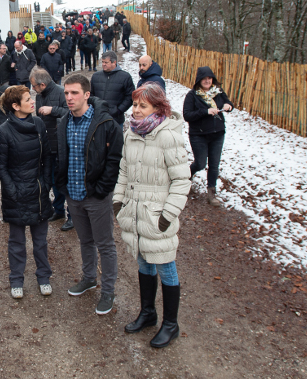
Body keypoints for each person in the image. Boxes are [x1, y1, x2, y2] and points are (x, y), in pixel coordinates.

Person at [113, 82, 190, 348]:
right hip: (134, 211)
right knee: (143, 261)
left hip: (157, 213)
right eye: (134, 104)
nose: (135, 110)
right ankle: (148, 313)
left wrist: (167, 215)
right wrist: (118, 200)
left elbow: (181, 180)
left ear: (158, 108)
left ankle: (171, 323)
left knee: (166, 266)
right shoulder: (131, 133)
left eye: (141, 106)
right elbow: (124, 169)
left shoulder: (168, 136)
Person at [56, 73, 124, 315]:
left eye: (74, 93)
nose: (69, 97)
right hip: (73, 195)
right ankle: (89, 278)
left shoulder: (104, 123)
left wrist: (102, 189)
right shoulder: (64, 121)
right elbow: (61, 156)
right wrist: (62, 186)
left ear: (87, 94)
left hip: (96, 196)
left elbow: (114, 160)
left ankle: (108, 291)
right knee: (85, 240)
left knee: (105, 244)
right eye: (66, 93)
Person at [0, 85, 54, 299]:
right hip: (17, 194)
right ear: (15, 105)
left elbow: (47, 156)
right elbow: (1, 167)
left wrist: (46, 182)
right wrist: (12, 190)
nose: (32, 101)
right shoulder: (3, 131)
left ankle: (44, 277)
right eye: (28, 99)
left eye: (32, 98)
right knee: (17, 242)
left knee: (40, 241)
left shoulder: (38, 124)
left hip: (38, 191)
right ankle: (16, 279)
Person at [183, 66, 233, 206]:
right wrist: (205, 111)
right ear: (199, 80)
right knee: (200, 163)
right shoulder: (192, 95)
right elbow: (187, 115)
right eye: (204, 78)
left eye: (209, 78)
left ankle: (212, 193)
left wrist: (229, 106)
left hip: (217, 134)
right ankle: (186, 176)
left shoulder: (218, 92)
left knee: (214, 165)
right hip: (199, 135)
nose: (207, 81)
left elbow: (228, 103)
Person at [30, 67, 69, 228]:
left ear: (42, 84)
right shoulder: (40, 95)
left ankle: (72, 215)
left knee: (65, 181)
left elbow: (70, 112)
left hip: (61, 145)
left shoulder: (62, 92)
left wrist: (53, 110)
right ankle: (58, 210)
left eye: (34, 86)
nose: (32, 89)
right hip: (47, 145)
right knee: (53, 180)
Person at [90, 51, 135, 126]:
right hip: (98, 118)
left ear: (114, 62)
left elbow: (130, 96)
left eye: (106, 62)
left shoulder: (125, 77)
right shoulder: (96, 76)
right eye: (103, 62)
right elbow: (91, 94)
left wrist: (118, 110)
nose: (103, 64)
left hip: (116, 119)